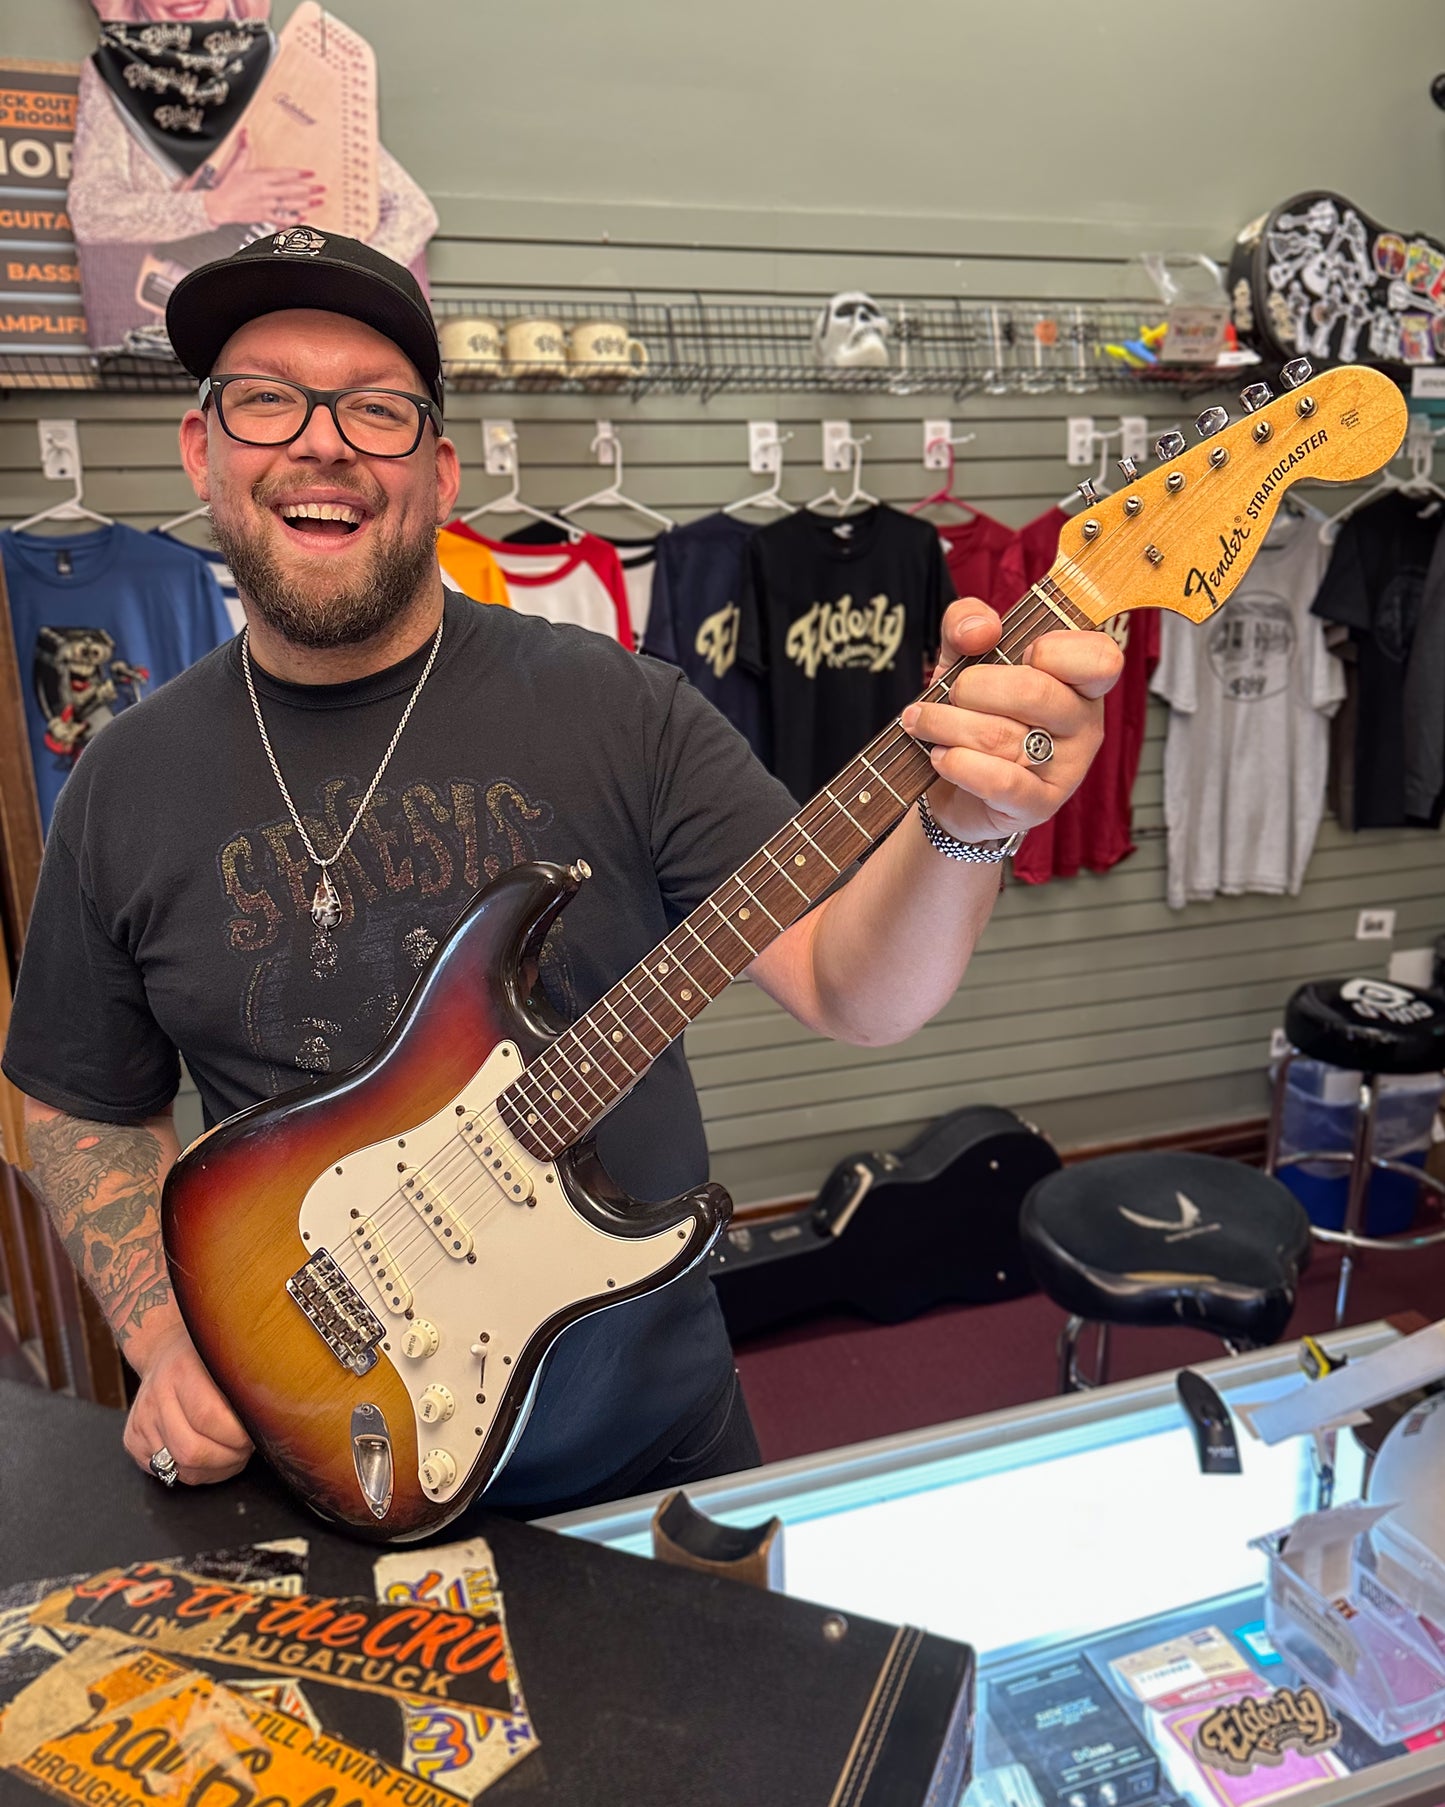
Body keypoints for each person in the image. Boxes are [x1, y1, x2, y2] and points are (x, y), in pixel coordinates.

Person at [2, 230, 1122, 1520]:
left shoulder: (622, 710)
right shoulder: (125, 779)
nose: (320, 443)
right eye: (266, 400)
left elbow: (853, 990)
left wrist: (969, 821)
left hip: (648, 1456)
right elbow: (77, 1103)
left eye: (375, 409)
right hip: (310, 1460)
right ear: (203, 451)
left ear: (437, 469)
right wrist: (162, 1336)